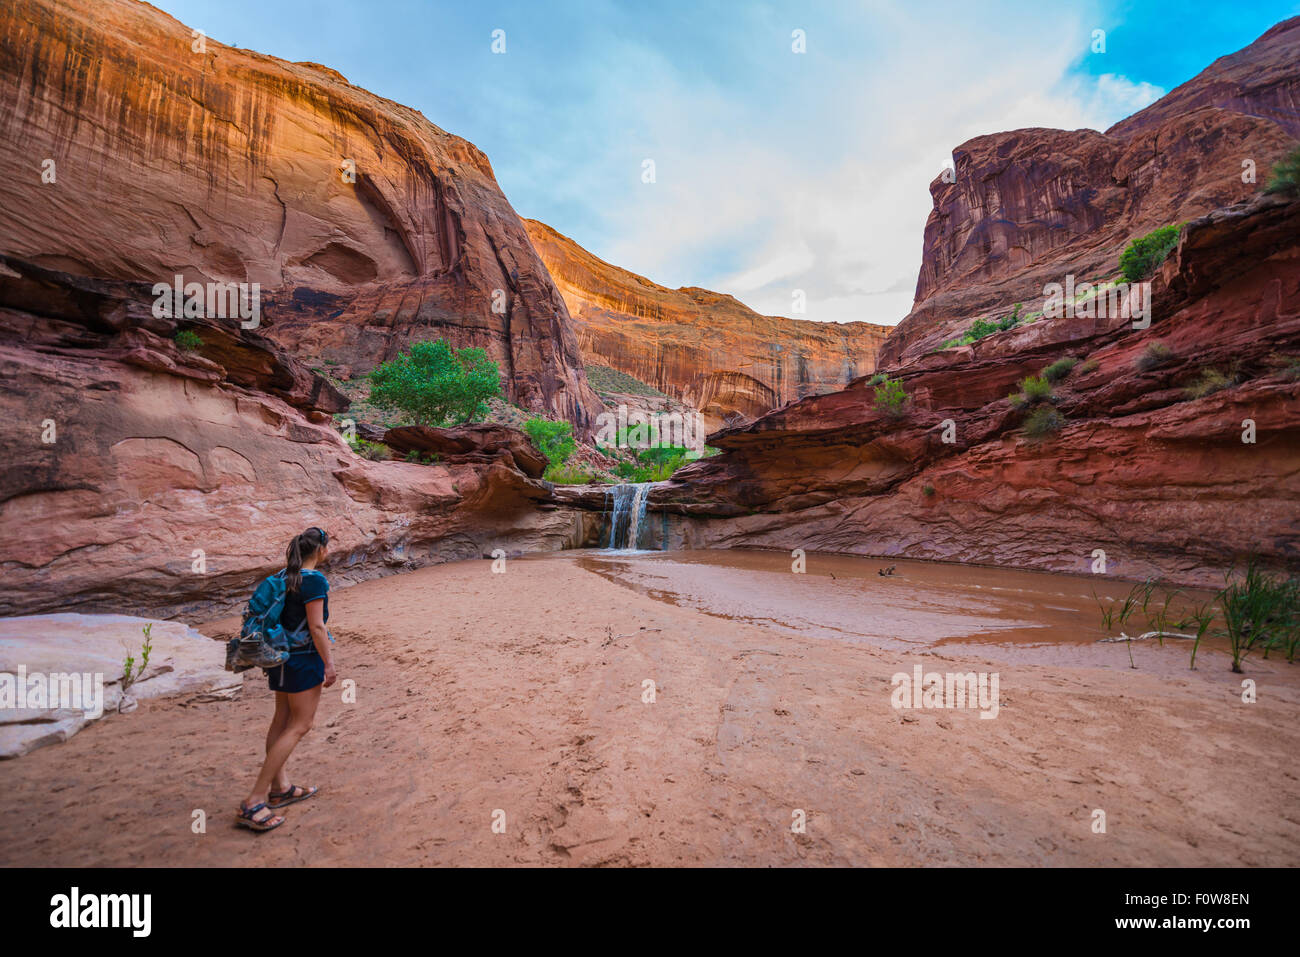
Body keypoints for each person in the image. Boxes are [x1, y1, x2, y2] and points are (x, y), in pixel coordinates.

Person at [236, 527, 337, 832]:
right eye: (327, 547)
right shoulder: (315, 580)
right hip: (303, 659)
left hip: (278, 658)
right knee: (300, 725)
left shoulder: (284, 576)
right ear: (320, 550)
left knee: (281, 719)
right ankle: (255, 800)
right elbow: (317, 627)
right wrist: (329, 664)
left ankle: (280, 788)